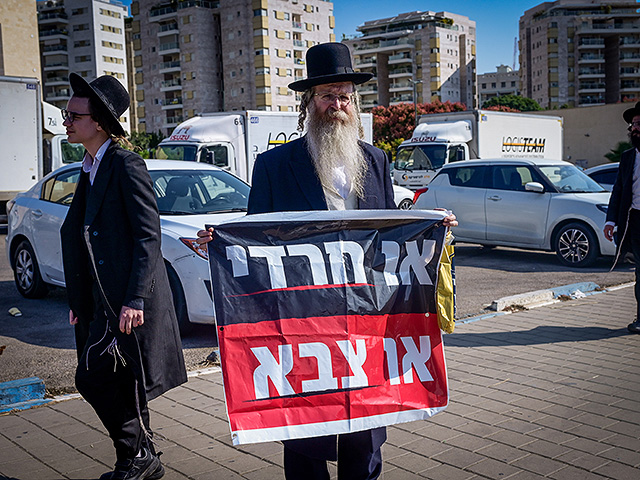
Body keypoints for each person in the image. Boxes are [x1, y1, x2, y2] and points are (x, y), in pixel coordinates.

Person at [198, 42, 456, 479]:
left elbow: (388, 230)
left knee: (365, 436)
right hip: (304, 326)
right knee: (306, 438)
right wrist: (221, 242)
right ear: (309, 102)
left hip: (364, 322)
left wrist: (431, 224)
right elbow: (258, 234)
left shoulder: (374, 160)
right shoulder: (275, 165)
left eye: (344, 96)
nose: (337, 105)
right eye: (327, 95)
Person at [60, 73, 187, 480]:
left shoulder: (125, 164)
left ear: (98, 121)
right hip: (100, 302)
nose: (66, 120)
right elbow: (81, 235)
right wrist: (79, 302)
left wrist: (136, 299)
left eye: (73, 114)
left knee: (92, 377)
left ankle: (139, 454)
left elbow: (149, 236)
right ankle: (134, 459)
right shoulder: (89, 166)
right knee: (120, 379)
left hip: (124, 302)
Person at [604, 101, 640, 334]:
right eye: (633, 124)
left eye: (639, 123)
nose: (634, 128)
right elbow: (618, 190)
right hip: (636, 222)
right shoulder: (629, 157)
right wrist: (610, 220)